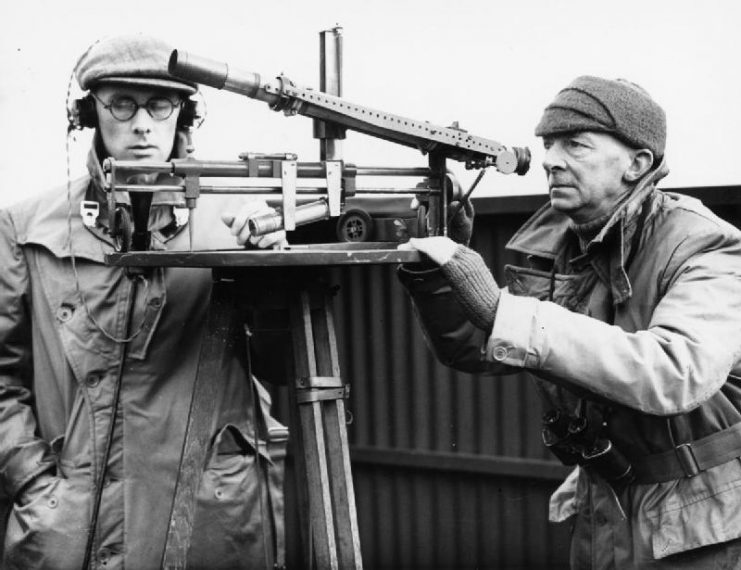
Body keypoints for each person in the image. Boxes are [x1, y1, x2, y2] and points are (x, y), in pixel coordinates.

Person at [398, 76, 741, 568]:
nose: (550, 159)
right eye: (548, 144)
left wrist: (502, 309)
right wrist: (436, 277)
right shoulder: (564, 242)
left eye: (575, 144)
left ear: (637, 163)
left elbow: (675, 371)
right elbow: (484, 345)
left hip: (698, 517)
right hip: (604, 501)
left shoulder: (703, 244)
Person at [0, 34, 289, 569]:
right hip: (69, 520)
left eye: (161, 105)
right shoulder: (26, 229)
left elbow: (279, 365)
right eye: (122, 104)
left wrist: (270, 273)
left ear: (183, 115)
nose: (142, 124)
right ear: (90, 113)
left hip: (206, 518)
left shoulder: (236, 226)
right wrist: (35, 483)